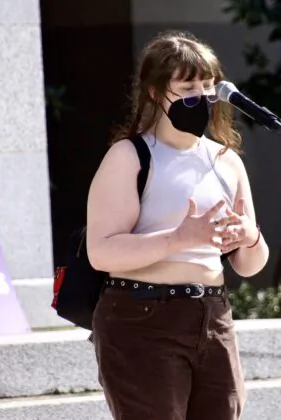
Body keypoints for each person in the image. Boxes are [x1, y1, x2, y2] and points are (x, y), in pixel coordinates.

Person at [85, 30, 270, 420]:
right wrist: (179, 238)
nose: (200, 97)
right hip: (142, 316)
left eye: (207, 86)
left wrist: (250, 237)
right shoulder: (129, 156)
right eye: (187, 86)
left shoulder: (226, 161)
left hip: (213, 316)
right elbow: (101, 252)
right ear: (154, 92)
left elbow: (249, 264)